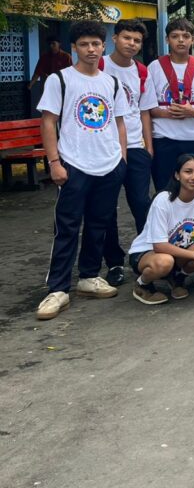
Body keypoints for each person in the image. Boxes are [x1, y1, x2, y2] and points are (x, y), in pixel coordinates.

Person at [36, 20, 128, 320]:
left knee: (99, 224)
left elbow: (119, 122)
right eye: (85, 44)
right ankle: (58, 288)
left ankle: (89, 276)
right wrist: (54, 162)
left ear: (104, 46)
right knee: (67, 227)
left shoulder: (111, 82)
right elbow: (48, 121)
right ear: (74, 47)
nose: (91, 49)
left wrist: (122, 159)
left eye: (96, 44)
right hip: (73, 164)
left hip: (108, 165)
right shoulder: (60, 80)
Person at [98, 19, 153, 287]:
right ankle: (114, 262)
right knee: (107, 209)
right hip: (104, 149)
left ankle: (145, 254)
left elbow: (144, 111)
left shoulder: (141, 71)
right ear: (114, 38)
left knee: (142, 204)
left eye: (137, 40)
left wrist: (148, 146)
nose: (131, 44)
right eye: (126, 38)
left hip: (135, 146)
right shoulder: (99, 66)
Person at [127, 154, 194, 305]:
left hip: (179, 252)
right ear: (177, 175)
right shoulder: (163, 200)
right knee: (165, 261)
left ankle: (178, 277)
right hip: (149, 252)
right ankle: (142, 285)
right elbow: (159, 246)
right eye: (188, 172)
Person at [140, 18, 194, 192]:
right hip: (163, 139)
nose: (181, 40)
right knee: (164, 191)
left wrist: (193, 113)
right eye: (175, 36)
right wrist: (170, 113)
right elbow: (147, 108)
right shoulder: (154, 67)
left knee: (193, 190)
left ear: (193, 39)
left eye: (186, 36)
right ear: (167, 39)